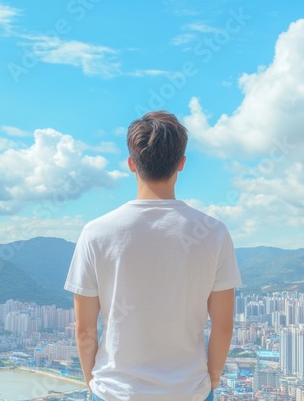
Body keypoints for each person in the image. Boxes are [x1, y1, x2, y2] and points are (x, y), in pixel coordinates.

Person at [64, 110, 242, 401]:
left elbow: (85, 330)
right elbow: (223, 325)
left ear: (131, 164)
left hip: (114, 391)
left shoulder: (95, 233)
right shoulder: (214, 232)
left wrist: (92, 384)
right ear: (181, 163)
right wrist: (210, 382)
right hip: (188, 391)